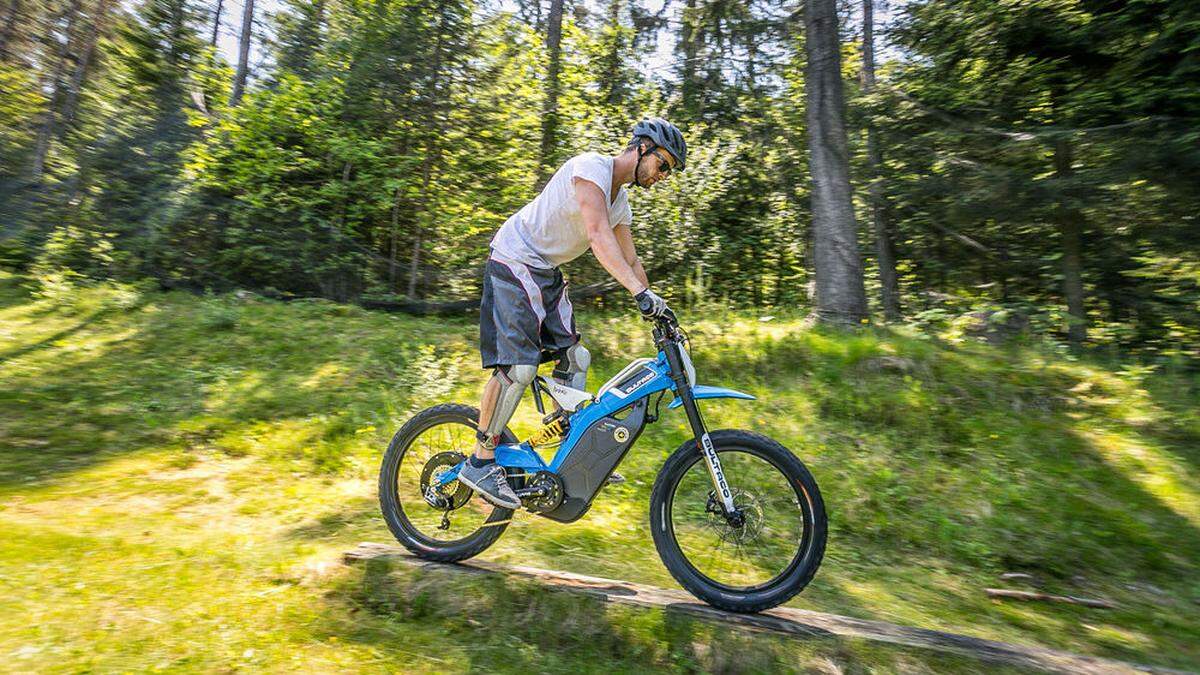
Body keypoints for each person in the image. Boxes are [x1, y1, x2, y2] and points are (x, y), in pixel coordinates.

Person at [455, 118, 687, 508]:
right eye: (663, 165)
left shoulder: (620, 203)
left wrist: (656, 305)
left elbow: (631, 259)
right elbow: (597, 236)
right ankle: (480, 460)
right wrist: (637, 292)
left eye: (669, 172)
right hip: (515, 258)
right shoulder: (590, 168)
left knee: (577, 358)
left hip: (544, 271)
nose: (663, 176)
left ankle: (568, 455)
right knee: (519, 370)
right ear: (643, 148)